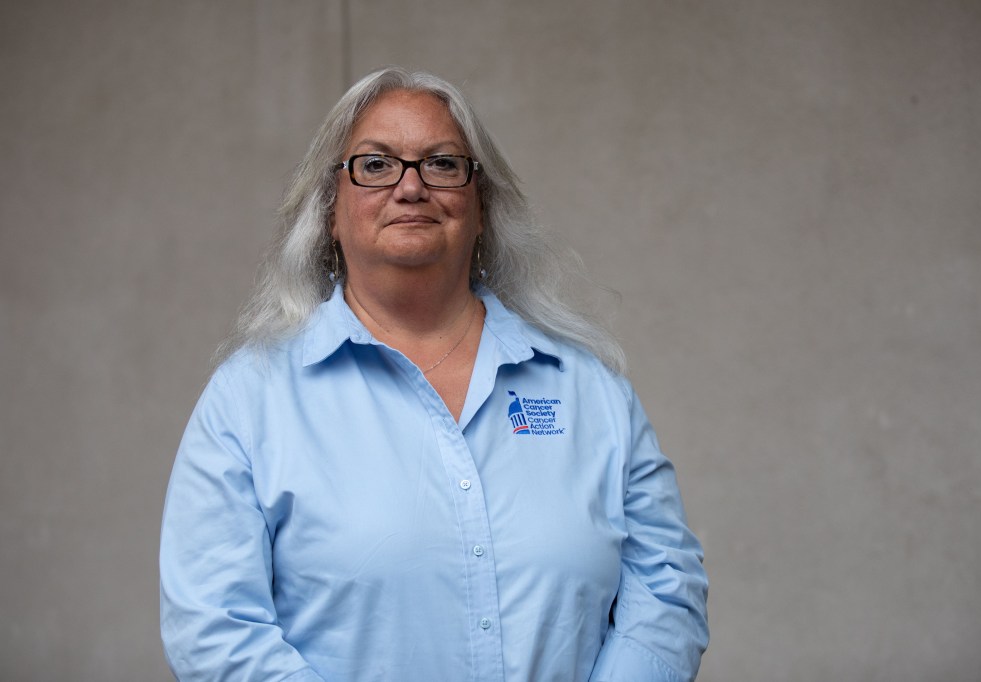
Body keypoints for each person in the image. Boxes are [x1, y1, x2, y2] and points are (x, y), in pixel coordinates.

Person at [160, 67, 709, 682]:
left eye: (443, 164)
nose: (411, 187)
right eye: (375, 164)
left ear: (482, 209)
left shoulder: (590, 391)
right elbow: (215, 628)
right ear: (329, 212)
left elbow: (667, 589)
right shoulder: (249, 399)